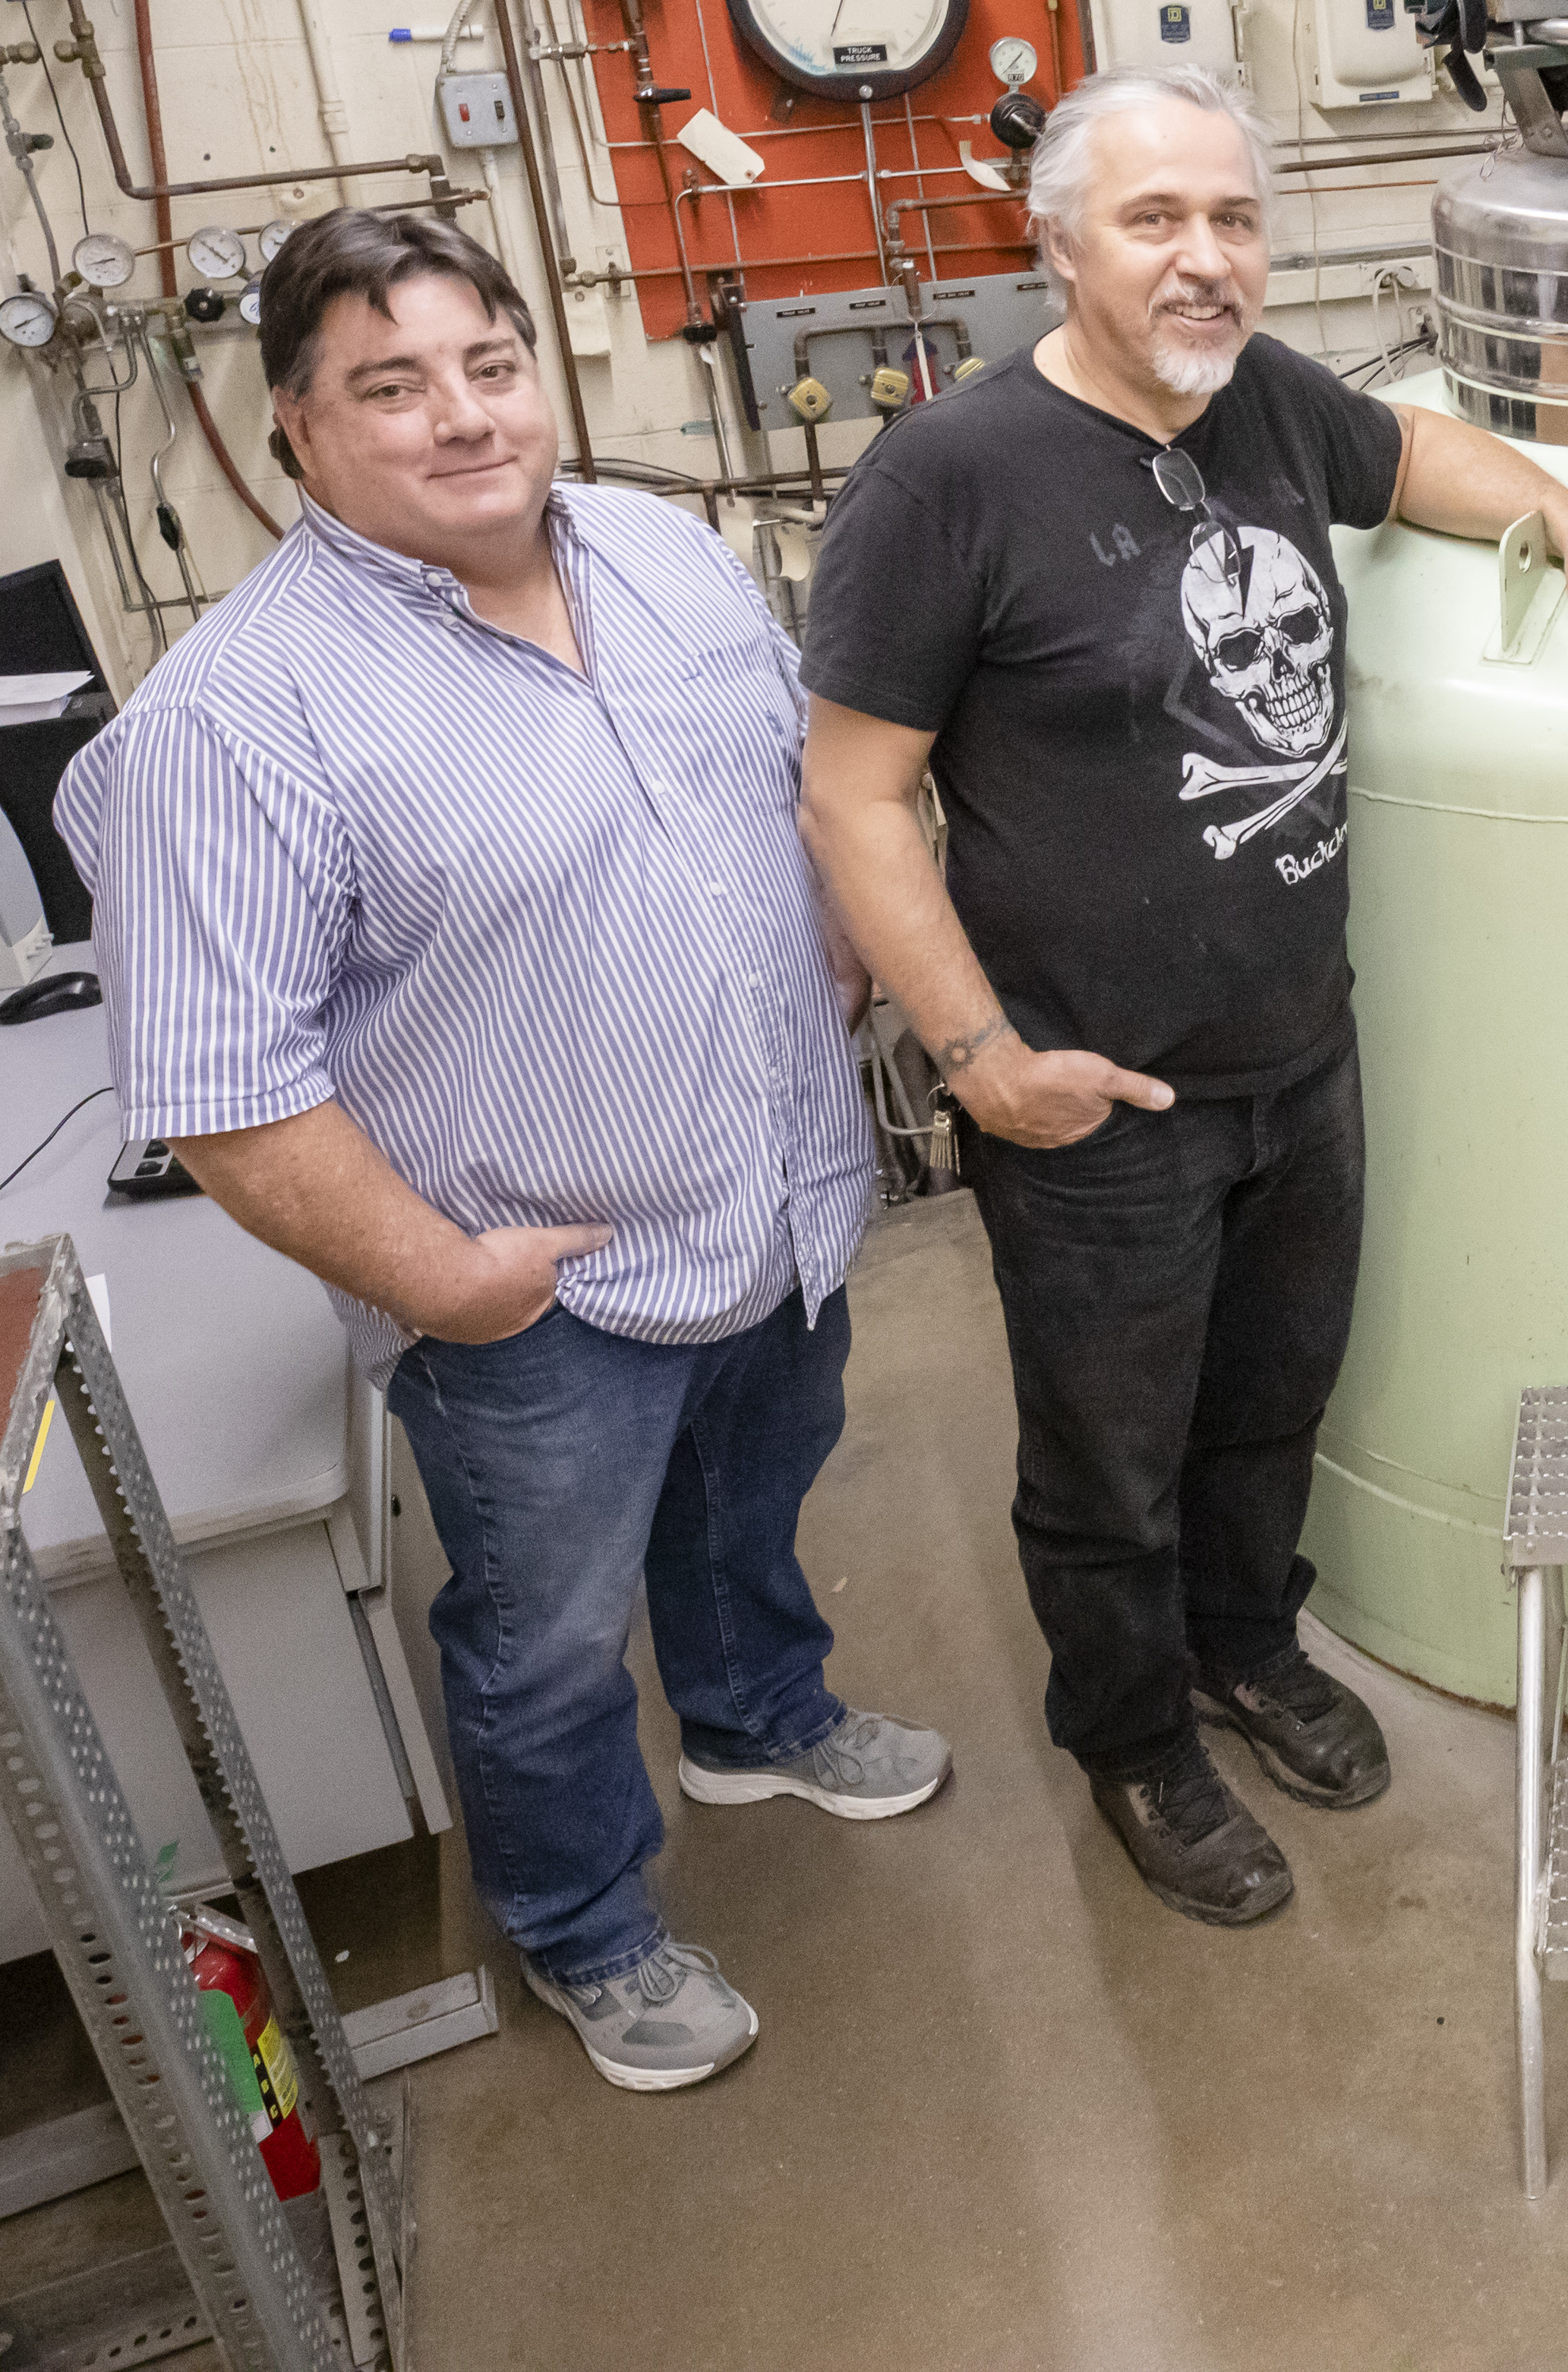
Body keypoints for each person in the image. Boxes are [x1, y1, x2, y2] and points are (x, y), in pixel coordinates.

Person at [797, 67, 1568, 1929]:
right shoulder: (950, 480)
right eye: (1157, 221)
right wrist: (981, 1061)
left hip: (1299, 1055)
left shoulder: (1262, 405)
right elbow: (848, 789)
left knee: (1266, 1405)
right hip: (1097, 1096)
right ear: (1054, 239)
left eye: (1234, 219)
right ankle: (1136, 1735)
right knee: (1108, 1459)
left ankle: (1245, 1644)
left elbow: (1413, 449)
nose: (1205, 259)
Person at [59, 209, 936, 2099]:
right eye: (391, 386)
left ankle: (756, 1712)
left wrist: (845, 929)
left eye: (489, 364)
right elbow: (220, 1089)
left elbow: (798, 773)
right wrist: (447, 1282)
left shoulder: (661, 546)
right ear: (296, 431)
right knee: (540, 1642)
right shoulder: (233, 721)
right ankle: (588, 1923)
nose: (463, 419)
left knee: (752, 1499)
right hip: (536, 1291)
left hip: (776, 1197)